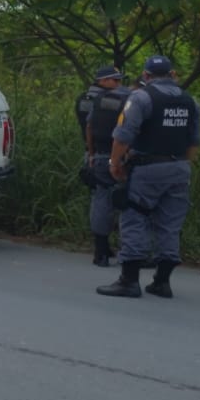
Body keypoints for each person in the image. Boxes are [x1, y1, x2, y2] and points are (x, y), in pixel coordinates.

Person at [99, 55, 200, 299]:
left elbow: (123, 135)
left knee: (135, 216)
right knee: (170, 223)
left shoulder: (141, 97)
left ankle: (129, 281)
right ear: (172, 74)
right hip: (179, 168)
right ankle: (162, 282)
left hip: (148, 168)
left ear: (145, 76)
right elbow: (194, 142)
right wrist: (181, 165)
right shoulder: (191, 101)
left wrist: (115, 163)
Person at [82, 66, 131, 267]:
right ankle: (128, 250)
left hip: (101, 156)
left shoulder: (99, 100)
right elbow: (130, 130)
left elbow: (89, 127)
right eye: (115, 80)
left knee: (101, 200)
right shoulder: (131, 98)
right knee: (127, 203)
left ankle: (100, 251)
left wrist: (91, 154)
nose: (118, 84)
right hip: (123, 158)